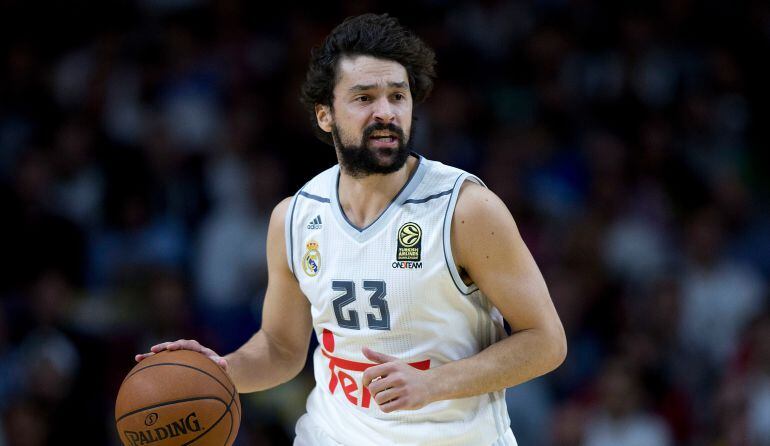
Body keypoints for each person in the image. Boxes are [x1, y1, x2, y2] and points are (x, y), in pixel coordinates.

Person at [137, 13, 567, 445]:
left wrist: (434, 383)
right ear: (325, 115)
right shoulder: (294, 217)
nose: (386, 112)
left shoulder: (466, 209)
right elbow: (282, 348)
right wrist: (220, 371)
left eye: (398, 96)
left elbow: (545, 341)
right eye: (364, 98)